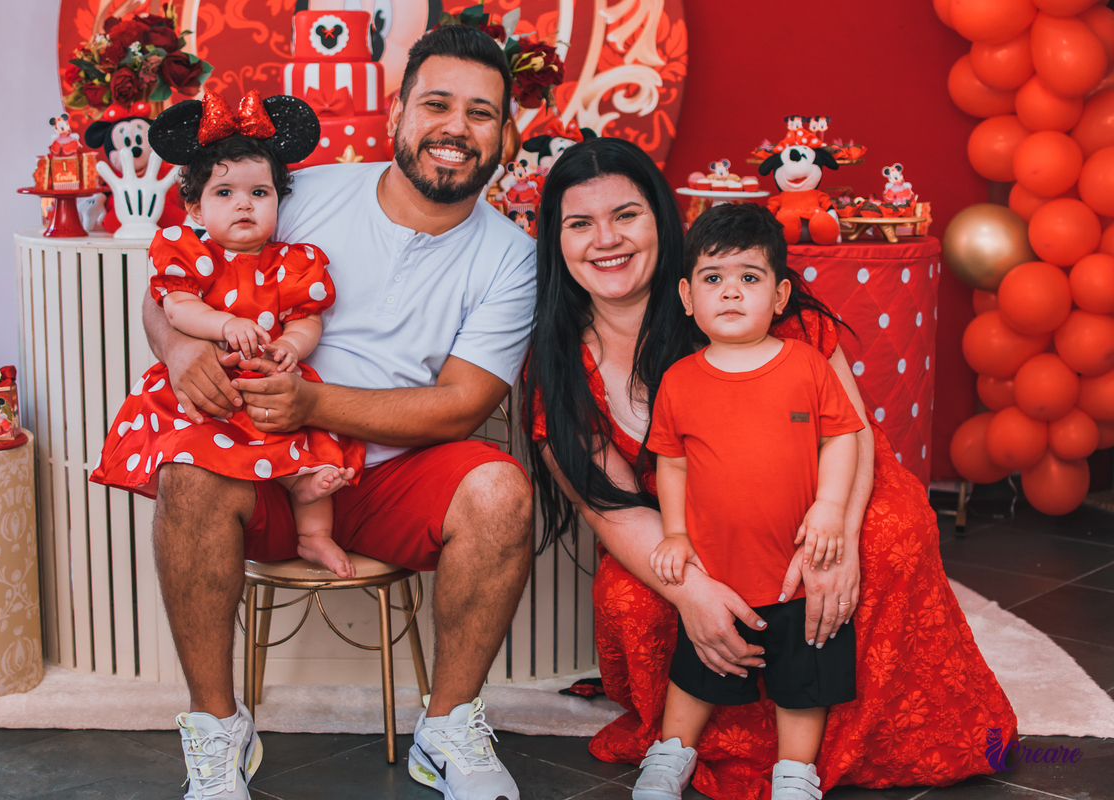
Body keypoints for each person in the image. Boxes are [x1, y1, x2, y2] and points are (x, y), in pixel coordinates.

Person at [522, 137, 1017, 800]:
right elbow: (610, 506)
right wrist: (694, 591)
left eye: (626, 215)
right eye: (580, 223)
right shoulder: (560, 369)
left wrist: (834, 531)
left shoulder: (738, 294)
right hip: (693, 521)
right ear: (555, 241)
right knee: (632, 598)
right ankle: (686, 744)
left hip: (822, 483)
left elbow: (850, 432)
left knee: (889, 536)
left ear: (661, 221)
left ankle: (811, 756)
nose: (606, 240)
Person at [141, 25, 536, 800]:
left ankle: (448, 727)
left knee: (502, 491)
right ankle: (218, 732)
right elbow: (170, 282)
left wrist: (314, 403)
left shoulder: (510, 255)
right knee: (185, 473)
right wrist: (177, 352)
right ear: (397, 113)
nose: (456, 128)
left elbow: (462, 405)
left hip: (392, 481)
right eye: (438, 104)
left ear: (506, 134)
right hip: (261, 469)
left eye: (481, 112)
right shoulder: (305, 192)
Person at [633, 205, 864, 800]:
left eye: (749, 277)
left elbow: (842, 437)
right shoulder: (681, 379)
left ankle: (795, 772)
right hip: (719, 567)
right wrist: (677, 533)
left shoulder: (807, 367)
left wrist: (832, 508)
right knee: (698, 667)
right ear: (687, 297)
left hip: (794, 566)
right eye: (712, 279)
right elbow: (673, 463)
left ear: (781, 295)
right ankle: (671, 753)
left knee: (805, 672)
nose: (730, 291)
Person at [91, 91, 366, 582]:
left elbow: (308, 319)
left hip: (270, 385)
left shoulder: (294, 261)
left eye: (259, 193)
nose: (244, 204)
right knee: (199, 454)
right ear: (195, 208)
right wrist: (223, 324)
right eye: (225, 194)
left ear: (279, 201)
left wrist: (290, 346)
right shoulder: (186, 251)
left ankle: (313, 532)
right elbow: (176, 306)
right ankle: (259, 504)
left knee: (315, 448)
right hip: (209, 390)